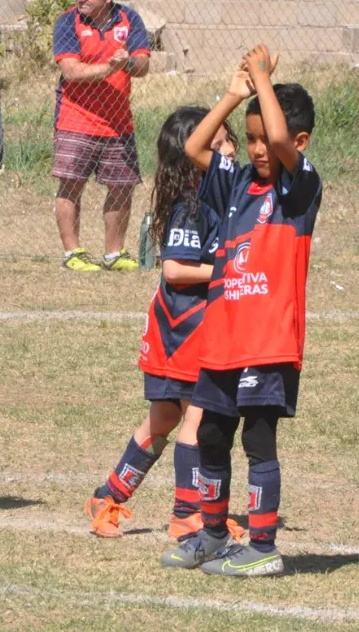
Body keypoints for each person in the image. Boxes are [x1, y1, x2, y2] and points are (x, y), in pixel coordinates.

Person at [161, 46, 322, 577]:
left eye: (263, 139)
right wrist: (235, 94)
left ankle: (263, 546)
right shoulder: (236, 183)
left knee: (257, 437)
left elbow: (279, 138)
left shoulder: (299, 187)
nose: (257, 148)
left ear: (298, 142)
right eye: (249, 139)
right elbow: (194, 145)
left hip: (268, 339)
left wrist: (263, 80)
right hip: (225, 338)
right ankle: (211, 534)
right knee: (211, 434)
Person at [84, 108, 245, 540]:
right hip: (183, 328)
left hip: (189, 327)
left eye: (228, 140)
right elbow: (174, 269)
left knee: (164, 418)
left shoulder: (219, 198)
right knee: (196, 418)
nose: (230, 150)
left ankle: (107, 496)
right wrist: (229, 271)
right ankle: (187, 515)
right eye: (218, 145)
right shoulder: (192, 206)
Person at [51, 0, 151, 272]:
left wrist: (128, 62)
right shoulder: (68, 21)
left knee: (122, 186)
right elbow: (71, 71)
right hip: (75, 118)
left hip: (118, 121)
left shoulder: (129, 19)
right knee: (71, 185)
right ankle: (73, 253)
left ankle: (114, 254)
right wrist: (110, 68)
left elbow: (143, 65)